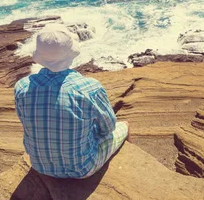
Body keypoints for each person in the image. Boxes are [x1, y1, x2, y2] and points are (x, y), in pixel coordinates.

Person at [14, 25, 129, 179]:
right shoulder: (89, 88)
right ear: (71, 53)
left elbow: (27, 124)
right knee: (125, 126)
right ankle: (127, 169)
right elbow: (108, 128)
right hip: (82, 169)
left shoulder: (22, 87)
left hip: (39, 165)